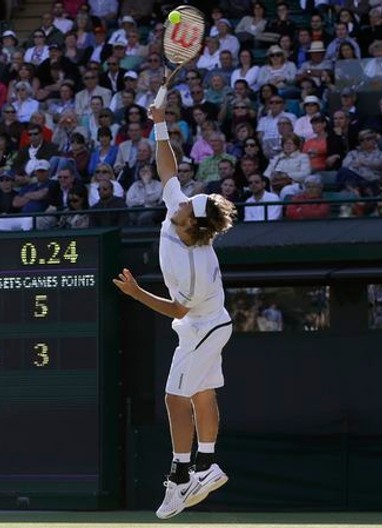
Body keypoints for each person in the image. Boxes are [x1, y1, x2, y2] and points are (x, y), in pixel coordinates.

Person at [113, 101, 236, 520]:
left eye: (188, 205)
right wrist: (160, 124)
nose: (182, 200)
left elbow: (177, 309)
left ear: (191, 224)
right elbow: (168, 171)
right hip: (209, 324)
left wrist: (136, 294)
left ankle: (181, 475)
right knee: (202, 392)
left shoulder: (193, 266)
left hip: (202, 325)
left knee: (174, 396)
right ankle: (206, 464)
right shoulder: (182, 213)